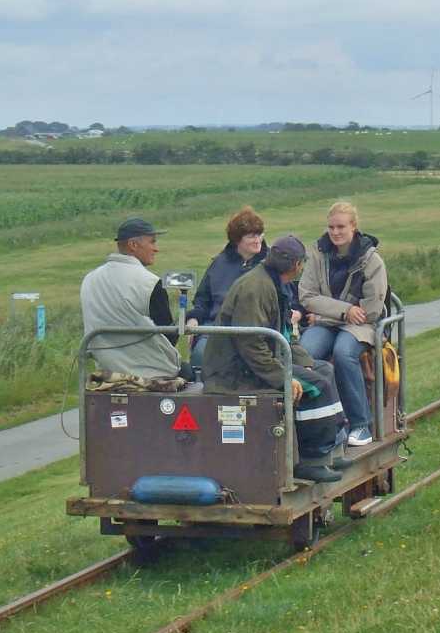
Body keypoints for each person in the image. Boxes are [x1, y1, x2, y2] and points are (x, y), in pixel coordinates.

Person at [202, 235, 347, 482]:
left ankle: (331, 450)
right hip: (234, 373)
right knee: (317, 385)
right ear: (296, 266)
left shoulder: (273, 283)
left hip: (257, 363)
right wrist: (283, 377)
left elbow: (284, 336)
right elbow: (250, 345)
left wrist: (306, 362)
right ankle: (310, 460)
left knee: (323, 370)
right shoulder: (255, 289)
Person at [299, 202, 388, 447]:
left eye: (341, 227)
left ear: (354, 227)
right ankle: (318, 423)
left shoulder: (371, 259)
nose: (335, 232)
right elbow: (306, 295)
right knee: (305, 354)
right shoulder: (317, 254)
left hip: (362, 326)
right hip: (333, 321)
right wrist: (345, 310)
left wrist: (324, 313)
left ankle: (361, 425)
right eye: (331, 227)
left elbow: (371, 310)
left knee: (344, 352)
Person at [80, 217, 184, 380]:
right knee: (191, 371)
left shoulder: (89, 279)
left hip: (107, 370)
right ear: (133, 245)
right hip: (151, 371)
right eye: (152, 242)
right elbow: (169, 337)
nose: (156, 249)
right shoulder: (150, 283)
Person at [186, 206, 273, 373]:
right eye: (251, 236)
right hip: (217, 327)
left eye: (259, 235)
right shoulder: (218, 263)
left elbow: (286, 295)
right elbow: (203, 299)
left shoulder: (271, 263)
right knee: (200, 355)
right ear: (237, 240)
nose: (257, 241)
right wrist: (194, 319)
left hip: (256, 329)